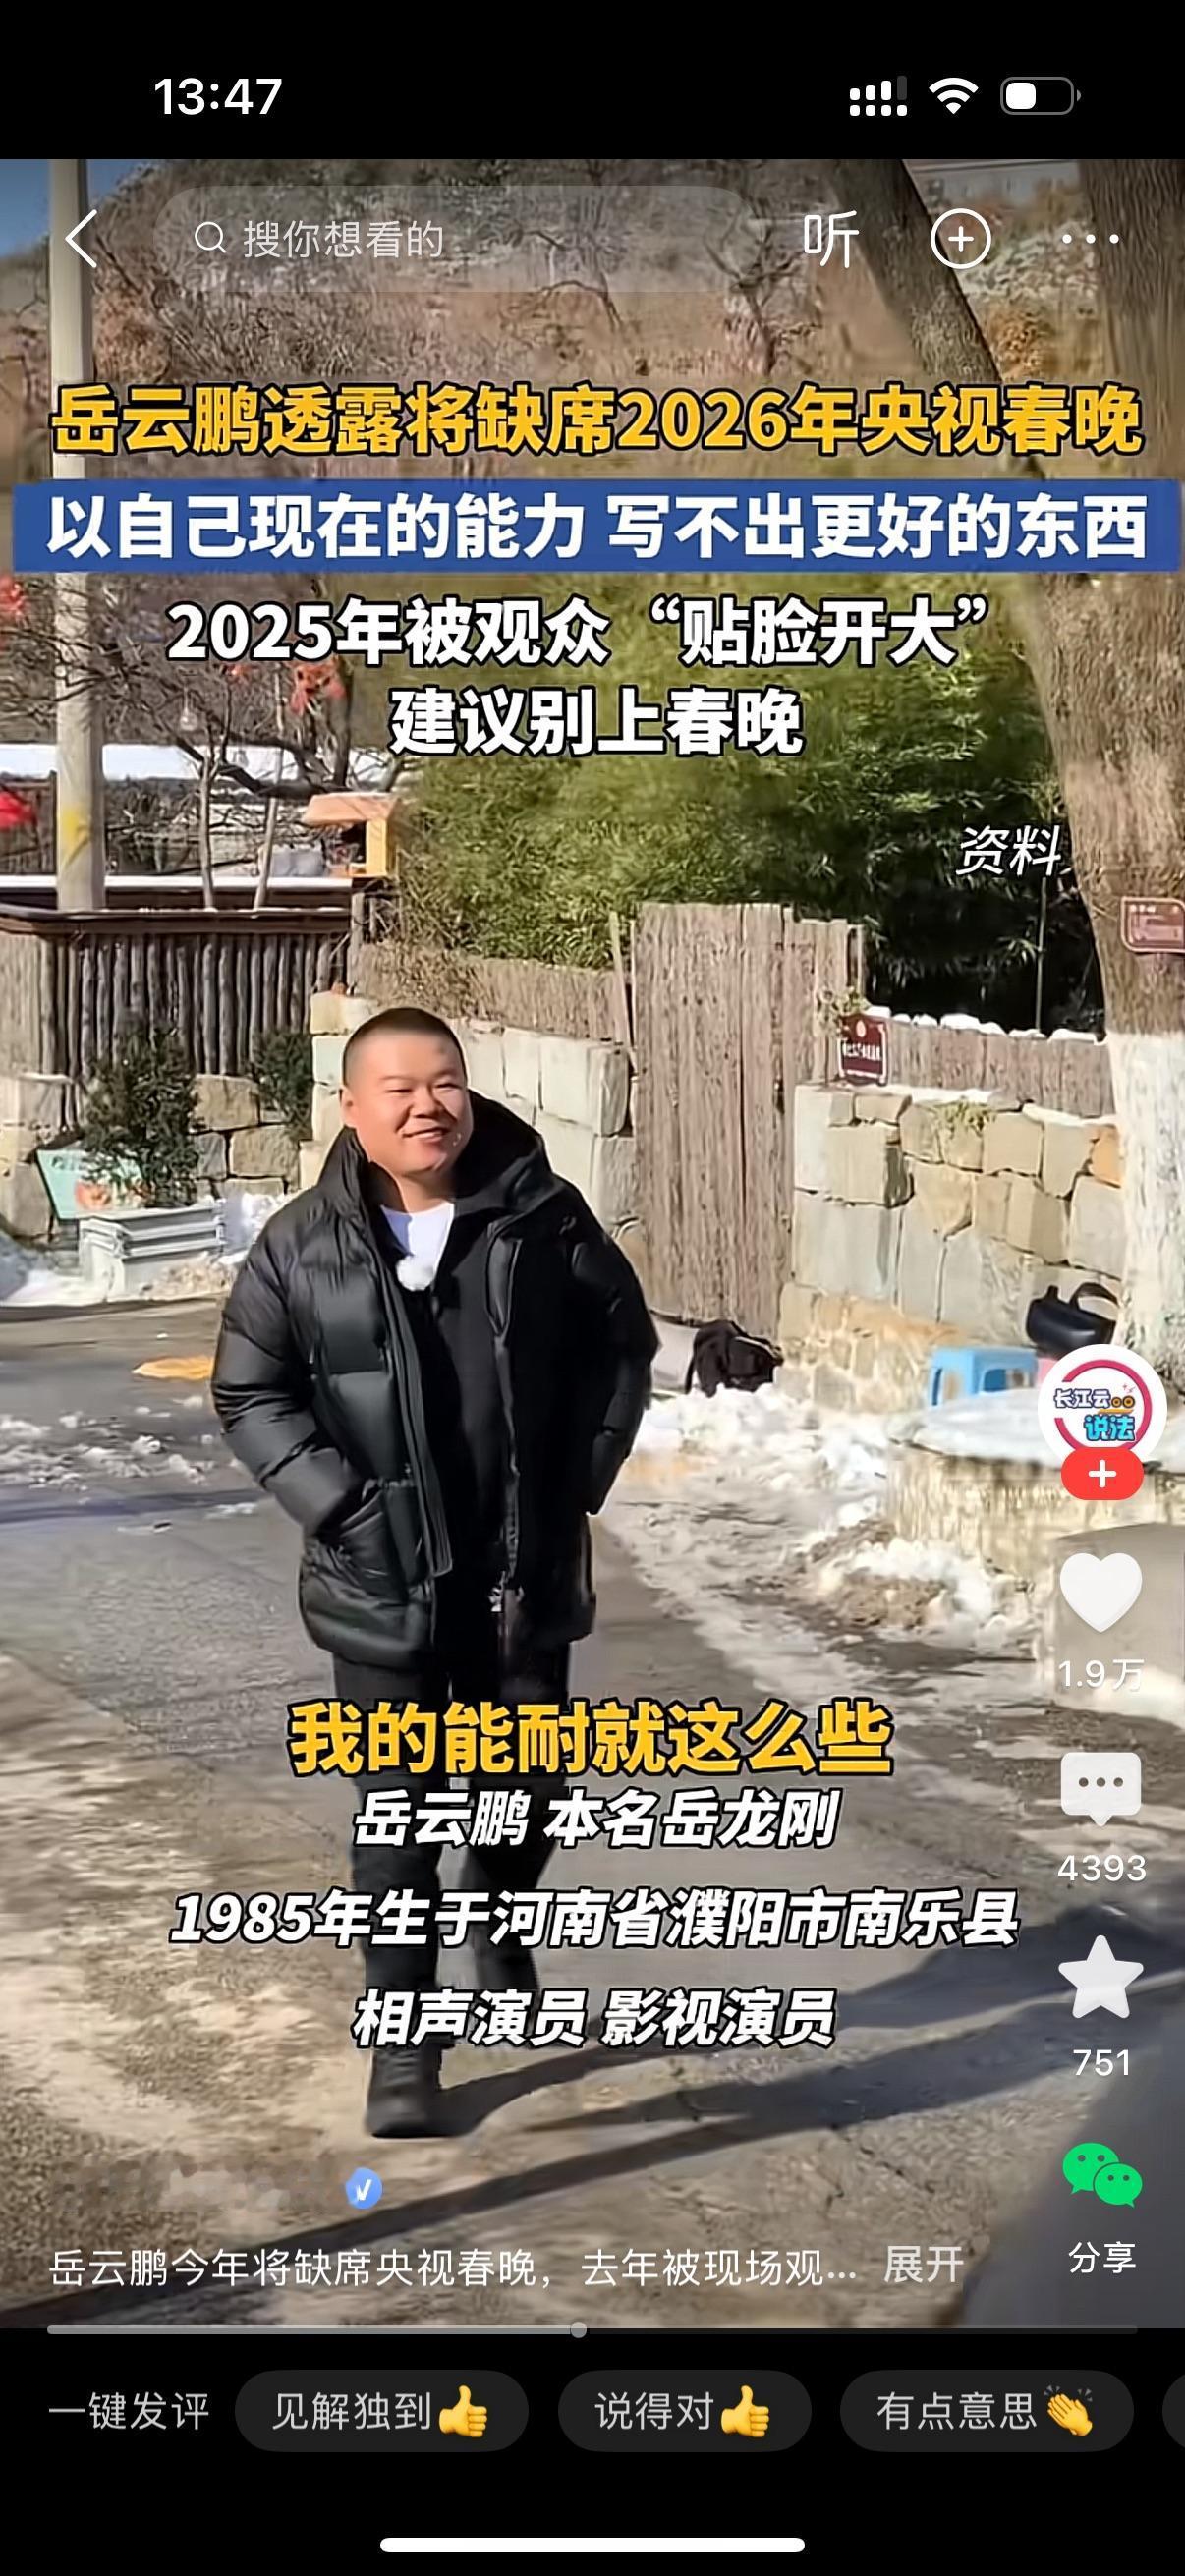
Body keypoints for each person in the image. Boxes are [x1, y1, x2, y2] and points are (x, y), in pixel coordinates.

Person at [211, 1005, 657, 2137]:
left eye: (445, 1082)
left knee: (526, 1793)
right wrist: (342, 1508)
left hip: (521, 1574)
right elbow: (249, 1390)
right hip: (379, 1583)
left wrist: (578, 1479)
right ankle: (404, 2046)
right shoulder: (302, 1245)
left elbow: (622, 1345)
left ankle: (495, 1916)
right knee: (398, 1818)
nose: (428, 1107)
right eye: (400, 1089)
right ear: (353, 1109)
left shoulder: (543, 1216)